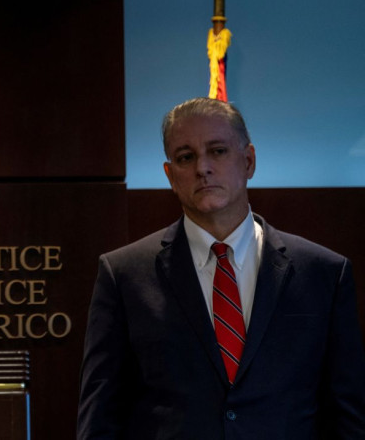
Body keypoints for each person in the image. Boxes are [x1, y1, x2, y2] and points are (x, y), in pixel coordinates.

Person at [77, 97, 365, 438]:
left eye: (218, 151)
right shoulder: (123, 275)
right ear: (170, 175)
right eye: (186, 157)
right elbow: (101, 419)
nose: (202, 168)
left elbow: (347, 418)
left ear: (249, 161)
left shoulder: (324, 273)